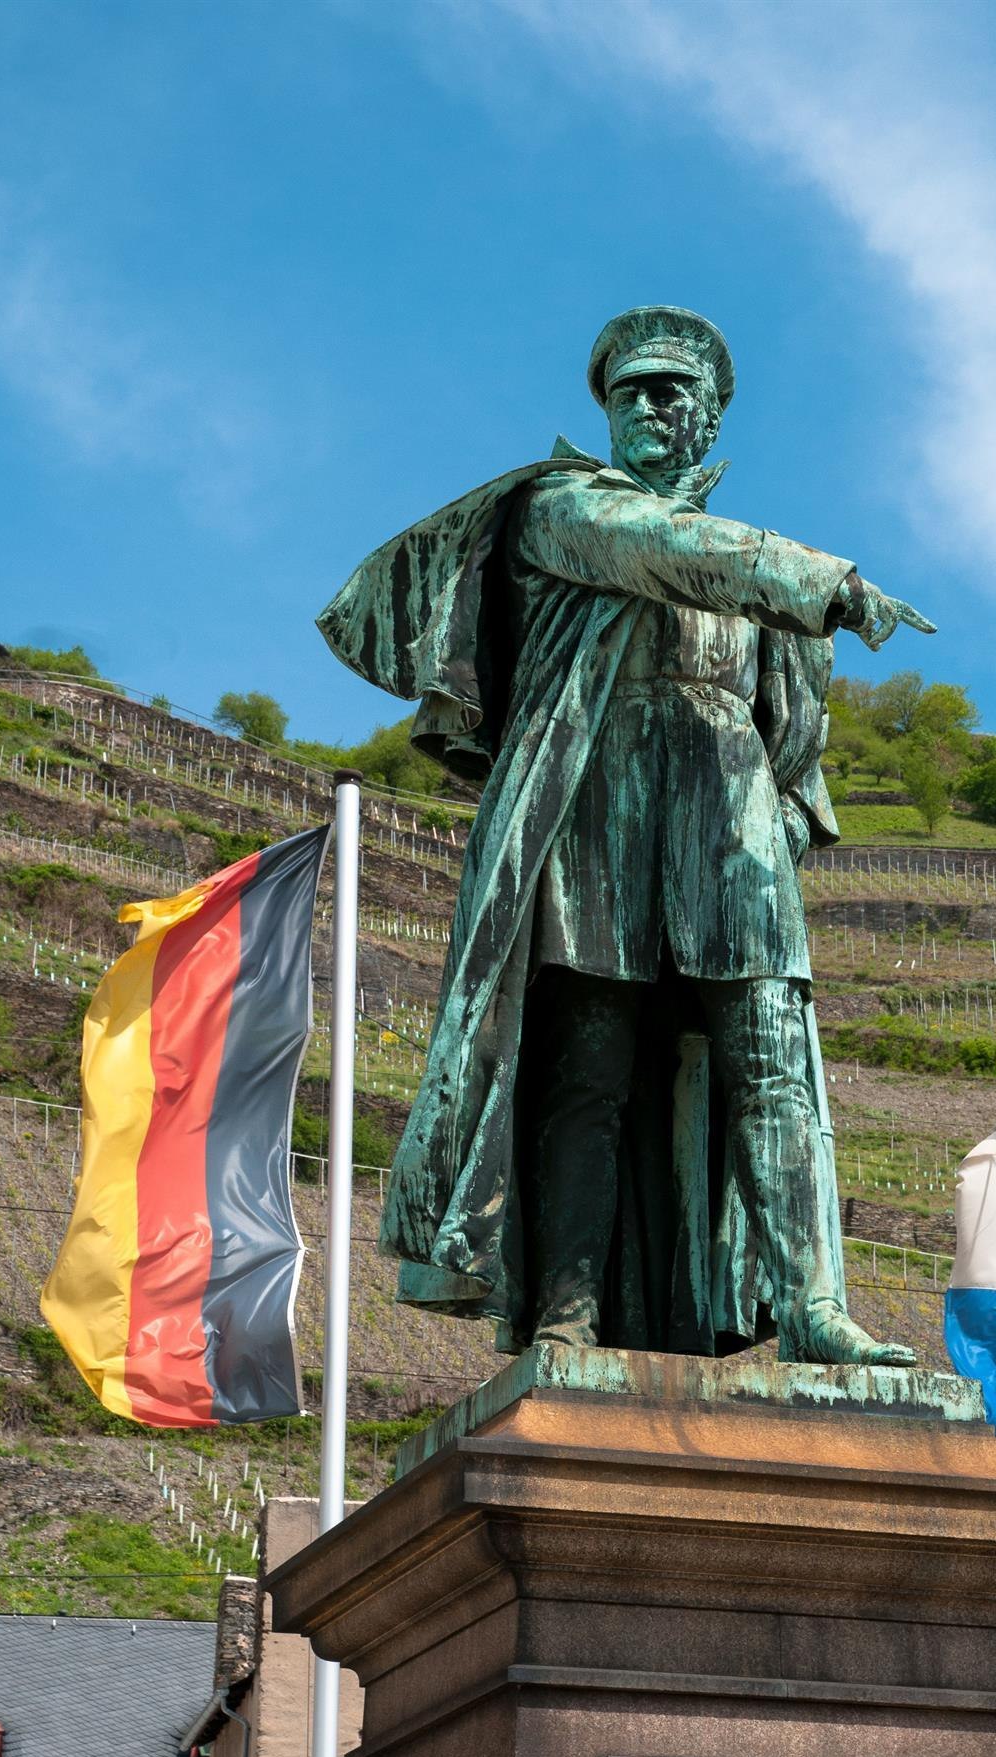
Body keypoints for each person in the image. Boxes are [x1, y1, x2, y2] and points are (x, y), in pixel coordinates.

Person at [318, 306, 935, 1365]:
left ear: (710, 416)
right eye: (628, 390)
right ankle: (567, 1312)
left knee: (771, 1057)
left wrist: (776, 830)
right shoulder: (564, 507)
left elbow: (799, 750)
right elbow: (661, 546)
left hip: (731, 823)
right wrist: (824, 580)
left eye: (670, 390)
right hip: (592, 815)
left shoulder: (761, 596)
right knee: (586, 1067)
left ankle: (814, 1308)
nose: (647, 404)